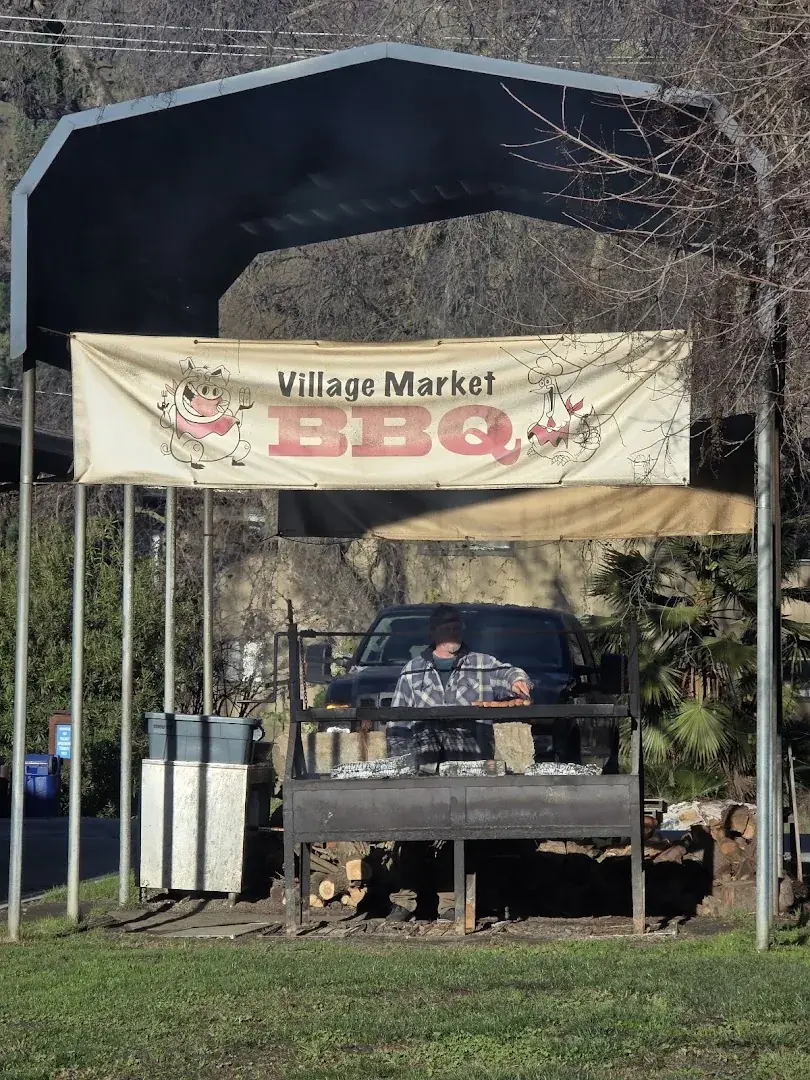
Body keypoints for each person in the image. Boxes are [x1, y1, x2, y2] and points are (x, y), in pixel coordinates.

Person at [386, 603, 532, 921]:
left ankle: (451, 904)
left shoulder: (482, 665)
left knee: (457, 835)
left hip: (468, 766)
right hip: (423, 767)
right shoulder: (412, 671)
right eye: (445, 626)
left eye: (456, 625)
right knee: (411, 833)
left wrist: (519, 681)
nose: (452, 631)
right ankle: (404, 902)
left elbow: (510, 672)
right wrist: (399, 764)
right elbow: (396, 722)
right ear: (433, 631)